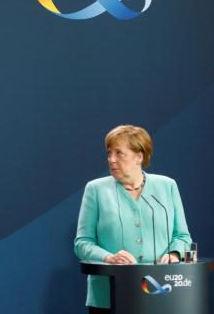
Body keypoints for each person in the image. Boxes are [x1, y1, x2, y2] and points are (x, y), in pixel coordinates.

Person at [74, 125, 192, 313]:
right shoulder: (95, 190)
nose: (111, 159)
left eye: (119, 153)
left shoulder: (167, 186)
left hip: (160, 292)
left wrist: (175, 254)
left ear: (139, 157)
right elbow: (82, 243)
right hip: (109, 295)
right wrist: (109, 258)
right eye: (109, 153)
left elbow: (183, 237)